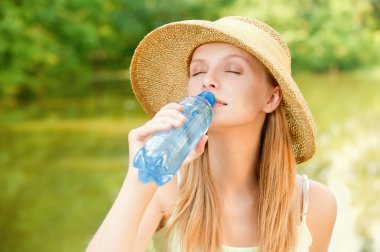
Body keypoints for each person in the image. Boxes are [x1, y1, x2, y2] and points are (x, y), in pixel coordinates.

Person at [86, 16, 337, 252]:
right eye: (197, 71)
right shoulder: (167, 189)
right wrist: (138, 179)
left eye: (232, 70)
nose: (208, 80)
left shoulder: (313, 205)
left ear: (271, 98)